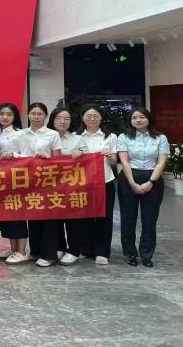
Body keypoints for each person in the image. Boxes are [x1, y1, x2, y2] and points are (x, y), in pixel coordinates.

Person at [117, 107, 169, 267]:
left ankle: (146, 254)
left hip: (153, 178)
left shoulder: (160, 138)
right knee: (128, 218)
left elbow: (161, 162)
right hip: (129, 177)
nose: (138, 120)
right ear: (130, 120)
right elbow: (124, 161)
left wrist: (151, 182)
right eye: (134, 118)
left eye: (141, 117)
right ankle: (130, 254)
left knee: (149, 219)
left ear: (148, 119)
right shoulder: (124, 137)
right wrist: (132, 183)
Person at [17, 102, 62, 267]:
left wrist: (46, 159)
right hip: (27, 180)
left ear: (46, 116)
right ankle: (35, 251)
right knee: (33, 215)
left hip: (47, 180)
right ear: (28, 115)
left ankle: (49, 254)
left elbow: (58, 160)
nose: (36, 117)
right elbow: (18, 155)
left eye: (40, 114)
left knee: (48, 217)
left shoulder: (52, 134)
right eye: (33, 114)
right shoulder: (21, 134)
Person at [76, 104, 118, 265]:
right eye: (88, 116)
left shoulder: (111, 137)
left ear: (101, 118)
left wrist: (110, 157)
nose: (92, 119)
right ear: (82, 118)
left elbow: (115, 161)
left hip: (105, 180)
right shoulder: (76, 137)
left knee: (104, 217)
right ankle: (85, 248)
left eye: (96, 116)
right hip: (83, 182)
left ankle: (102, 252)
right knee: (84, 216)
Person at [47, 107, 85, 266]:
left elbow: (88, 159)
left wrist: (80, 153)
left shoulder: (78, 139)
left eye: (67, 119)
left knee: (73, 218)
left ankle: (74, 250)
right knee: (54, 217)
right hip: (50, 184)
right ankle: (59, 247)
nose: (63, 122)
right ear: (52, 119)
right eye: (58, 118)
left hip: (72, 184)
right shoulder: (46, 136)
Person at [0, 103, 29, 265]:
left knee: (18, 215)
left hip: (15, 179)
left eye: (9, 114)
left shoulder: (20, 134)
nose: (5, 117)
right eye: (1, 114)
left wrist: (13, 155)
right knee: (5, 215)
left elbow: (28, 155)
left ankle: (22, 251)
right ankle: (13, 248)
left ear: (15, 117)